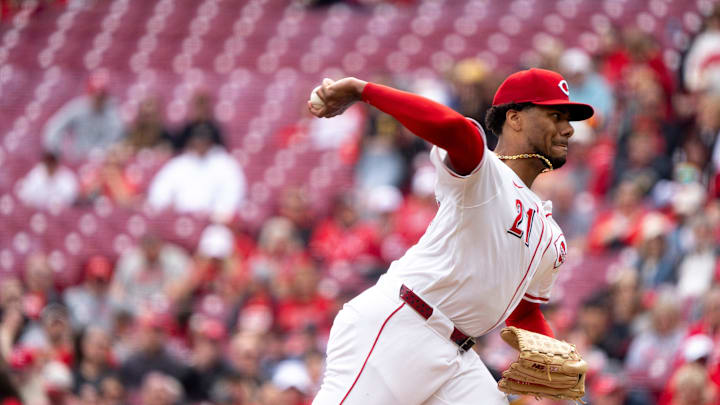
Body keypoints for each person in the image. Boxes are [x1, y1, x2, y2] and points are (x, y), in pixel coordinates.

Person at [307, 68, 594, 404]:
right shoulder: (484, 174)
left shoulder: (551, 234)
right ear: (514, 118)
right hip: (401, 324)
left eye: (569, 119)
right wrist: (363, 90)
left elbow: (524, 312)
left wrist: (553, 362)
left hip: (457, 357)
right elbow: (456, 130)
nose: (567, 128)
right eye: (556, 115)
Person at [42, 70, 125, 161]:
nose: (97, 99)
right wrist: (56, 149)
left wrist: (100, 153)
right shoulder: (78, 108)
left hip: (103, 162)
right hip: (79, 159)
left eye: (101, 96)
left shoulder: (113, 114)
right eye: (95, 95)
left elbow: (115, 138)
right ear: (89, 94)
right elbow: (54, 127)